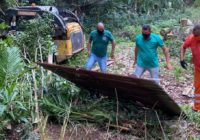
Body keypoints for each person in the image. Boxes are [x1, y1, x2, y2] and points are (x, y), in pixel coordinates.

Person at [180, 24, 200, 111]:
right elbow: (183, 47)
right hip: (198, 68)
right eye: (194, 34)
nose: (195, 37)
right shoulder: (192, 38)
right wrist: (182, 59)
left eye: (197, 35)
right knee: (197, 87)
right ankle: (197, 107)